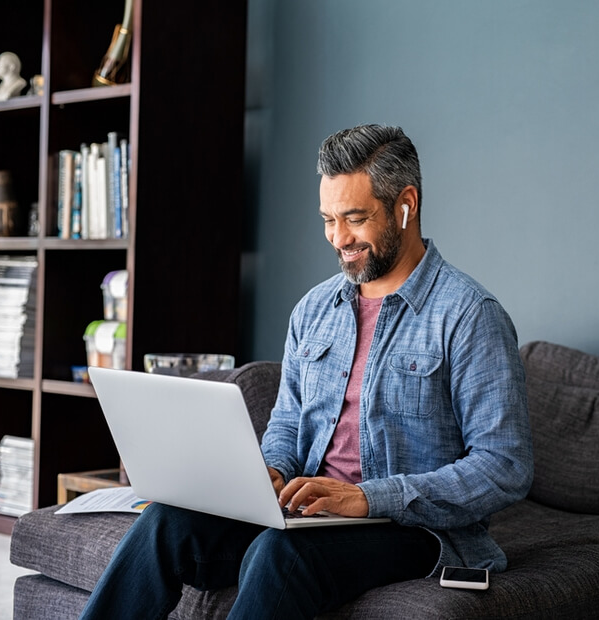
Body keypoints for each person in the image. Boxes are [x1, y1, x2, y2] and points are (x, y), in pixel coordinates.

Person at [80, 124, 533, 619]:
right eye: (328, 220)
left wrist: (367, 497)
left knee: (282, 554)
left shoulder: (469, 314)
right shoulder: (314, 310)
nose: (339, 239)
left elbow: (504, 467)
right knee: (165, 523)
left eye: (355, 219)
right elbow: (289, 425)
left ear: (406, 204)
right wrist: (270, 473)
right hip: (311, 516)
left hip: (413, 530)